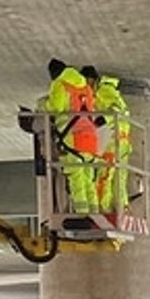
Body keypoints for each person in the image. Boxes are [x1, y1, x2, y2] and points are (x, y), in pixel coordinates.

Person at [44, 59, 102, 215]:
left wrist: (43, 105)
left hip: (73, 140)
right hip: (89, 140)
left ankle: (83, 215)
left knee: (77, 180)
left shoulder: (60, 84)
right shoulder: (85, 87)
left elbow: (55, 108)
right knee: (88, 181)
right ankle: (95, 214)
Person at [90, 72, 133, 220]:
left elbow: (114, 111)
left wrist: (101, 120)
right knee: (119, 181)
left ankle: (105, 210)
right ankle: (122, 209)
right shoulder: (112, 92)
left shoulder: (104, 91)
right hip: (121, 143)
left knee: (104, 179)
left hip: (111, 144)